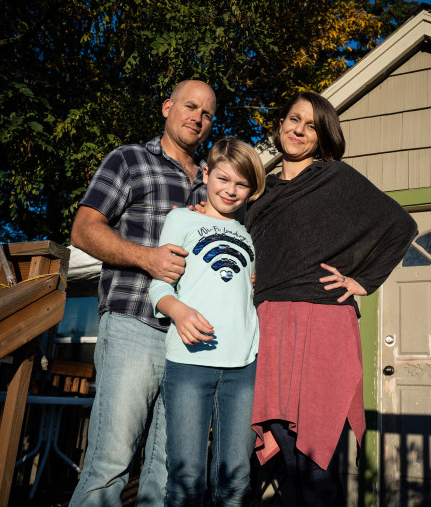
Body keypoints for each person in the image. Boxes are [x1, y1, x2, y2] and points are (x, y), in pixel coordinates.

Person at [244, 92, 418, 505]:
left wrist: (363, 280)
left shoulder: (336, 179)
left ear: (322, 137)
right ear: (280, 124)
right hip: (268, 326)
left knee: (313, 462)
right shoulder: (259, 196)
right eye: (293, 119)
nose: (299, 129)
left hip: (321, 323)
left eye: (311, 125)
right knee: (282, 451)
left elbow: (400, 225)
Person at [68, 79, 216, 506]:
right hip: (133, 323)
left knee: (170, 472)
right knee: (110, 462)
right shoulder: (130, 160)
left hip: (189, 341)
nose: (197, 118)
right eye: (190, 107)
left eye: (207, 114)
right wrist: (147, 258)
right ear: (167, 107)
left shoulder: (213, 180)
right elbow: (83, 230)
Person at [148, 137, 265, 506]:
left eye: (241, 184)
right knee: (185, 479)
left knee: (236, 480)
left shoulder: (251, 232)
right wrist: (178, 311)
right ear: (206, 173)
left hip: (244, 367)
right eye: (223, 179)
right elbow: (158, 285)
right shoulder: (182, 218)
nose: (230, 190)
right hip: (188, 363)